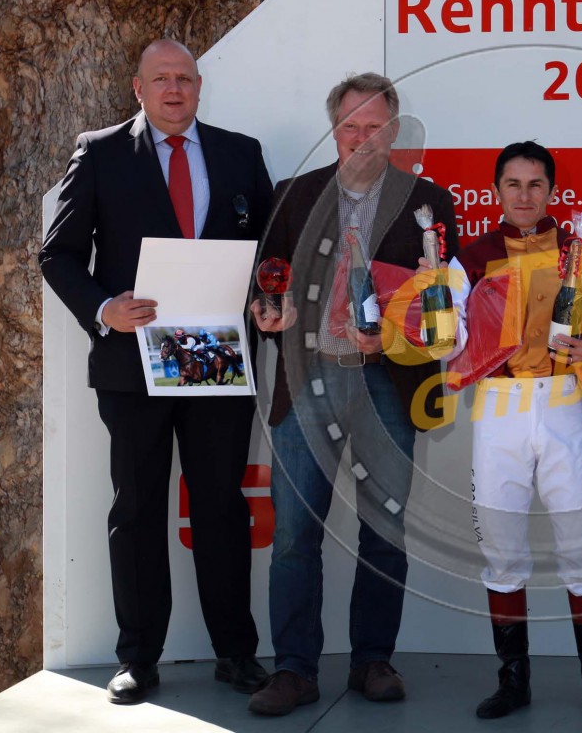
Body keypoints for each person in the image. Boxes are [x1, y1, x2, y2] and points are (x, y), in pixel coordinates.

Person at [39, 39, 272, 704]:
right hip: (134, 356)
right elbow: (58, 255)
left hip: (214, 352)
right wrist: (103, 309)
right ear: (138, 89)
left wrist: (266, 296)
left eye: (185, 79)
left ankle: (236, 654)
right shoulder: (100, 152)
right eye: (161, 79)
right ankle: (138, 659)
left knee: (221, 505)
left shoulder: (240, 153)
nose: (175, 89)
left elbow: (268, 251)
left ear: (199, 86)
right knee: (137, 508)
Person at [246, 73, 459, 716]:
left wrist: (394, 334)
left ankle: (373, 660)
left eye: (374, 127)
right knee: (293, 535)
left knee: (385, 530)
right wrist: (267, 311)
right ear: (334, 130)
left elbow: (440, 305)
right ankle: (294, 669)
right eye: (350, 126)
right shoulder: (292, 196)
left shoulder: (429, 203)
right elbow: (263, 283)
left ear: (393, 132)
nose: (361, 139)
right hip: (307, 381)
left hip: (387, 383)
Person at [445, 141, 582, 721]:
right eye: (513, 184)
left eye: (535, 185)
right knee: (502, 554)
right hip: (497, 409)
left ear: (552, 190)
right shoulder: (468, 261)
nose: (524, 196)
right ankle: (512, 682)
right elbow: (446, 345)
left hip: (563, 406)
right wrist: (430, 320)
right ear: (496, 191)